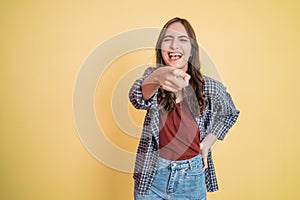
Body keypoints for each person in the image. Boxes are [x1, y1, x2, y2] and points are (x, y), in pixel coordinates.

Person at [129, 17, 240, 200]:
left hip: (191, 177)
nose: (174, 45)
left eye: (182, 39)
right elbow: (137, 97)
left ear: (191, 50)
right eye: (167, 39)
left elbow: (230, 113)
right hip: (152, 178)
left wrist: (206, 145)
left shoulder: (208, 87)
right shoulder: (153, 79)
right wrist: (158, 76)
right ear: (161, 48)